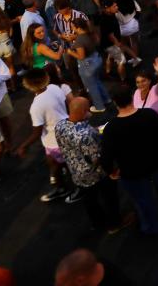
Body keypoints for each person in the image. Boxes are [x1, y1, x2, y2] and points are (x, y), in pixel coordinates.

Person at [100, 84, 158, 236]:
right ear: (132, 97)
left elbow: (106, 156)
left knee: (144, 202)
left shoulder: (111, 128)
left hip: (132, 173)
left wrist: (110, 171)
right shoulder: (149, 114)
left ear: (114, 102)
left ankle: (152, 227)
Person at [55, 96, 128, 234]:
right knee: (110, 198)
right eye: (88, 108)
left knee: (90, 201)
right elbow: (97, 159)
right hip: (96, 174)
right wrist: (112, 169)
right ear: (83, 111)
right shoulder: (86, 135)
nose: (90, 110)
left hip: (76, 173)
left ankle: (97, 223)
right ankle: (114, 224)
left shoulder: (61, 125)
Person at [14, 67, 73, 203]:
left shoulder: (36, 106)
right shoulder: (54, 88)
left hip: (53, 141)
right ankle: (65, 187)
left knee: (57, 165)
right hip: (66, 132)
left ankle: (64, 188)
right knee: (62, 164)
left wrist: (24, 146)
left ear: (27, 85)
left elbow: (37, 132)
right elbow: (65, 107)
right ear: (46, 78)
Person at [66, 17, 111, 114]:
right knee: (97, 81)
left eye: (73, 27)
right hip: (96, 60)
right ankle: (107, 99)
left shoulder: (79, 41)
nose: (72, 29)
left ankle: (99, 106)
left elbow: (81, 57)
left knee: (91, 86)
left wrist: (70, 52)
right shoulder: (91, 34)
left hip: (87, 66)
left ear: (78, 28)